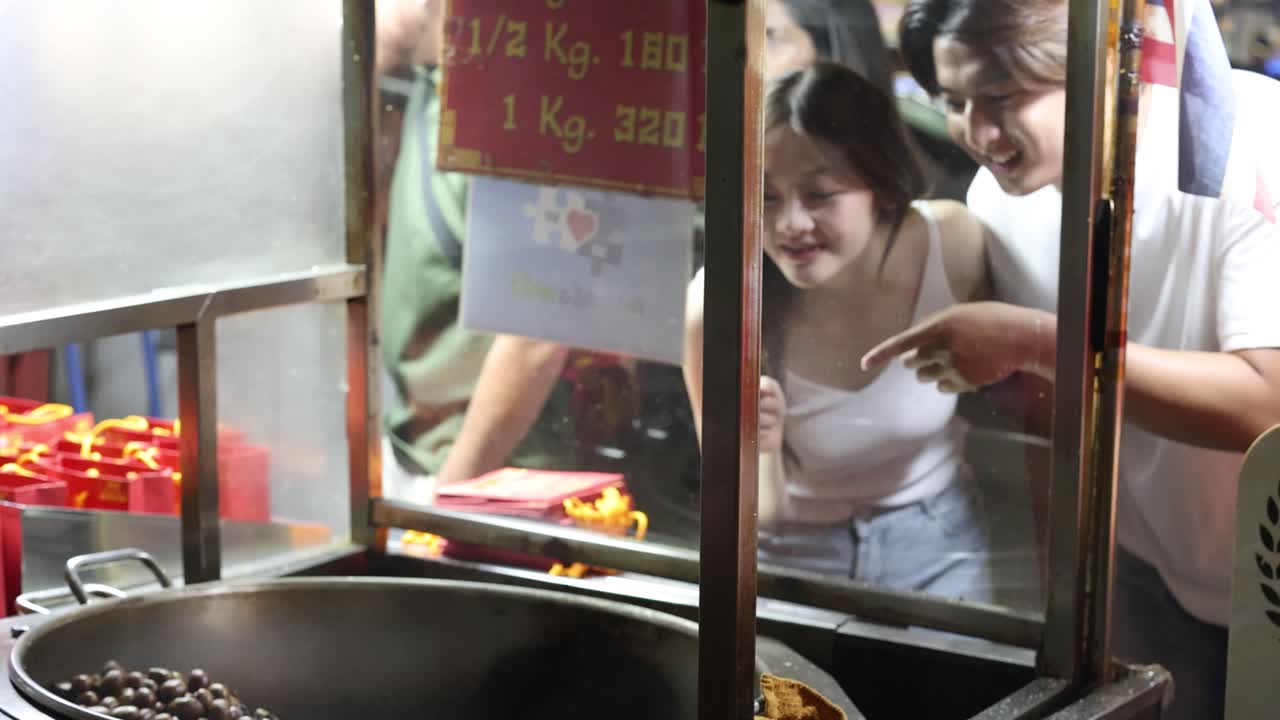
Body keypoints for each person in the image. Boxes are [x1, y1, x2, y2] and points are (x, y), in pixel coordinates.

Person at [866, 1, 1280, 716]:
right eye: (955, 101)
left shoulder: (1249, 140)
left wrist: (1034, 339)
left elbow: (1266, 405)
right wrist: (1073, 601)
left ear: (1104, 63)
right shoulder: (1001, 202)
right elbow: (1058, 418)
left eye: (1002, 97)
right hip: (1148, 569)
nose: (976, 133)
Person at [684, 61, 996, 601]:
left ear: (882, 187)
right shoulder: (722, 303)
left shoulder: (954, 246)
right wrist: (763, 447)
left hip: (941, 544)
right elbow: (748, 512)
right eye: (767, 196)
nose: (789, 225)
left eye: (820, 194)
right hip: (792, 556)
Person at [377, 0, 579, 501]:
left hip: (495, 482)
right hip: (419, 455)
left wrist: (450, 501)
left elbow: (537, 332)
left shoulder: (510, 109)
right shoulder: (428, 88)